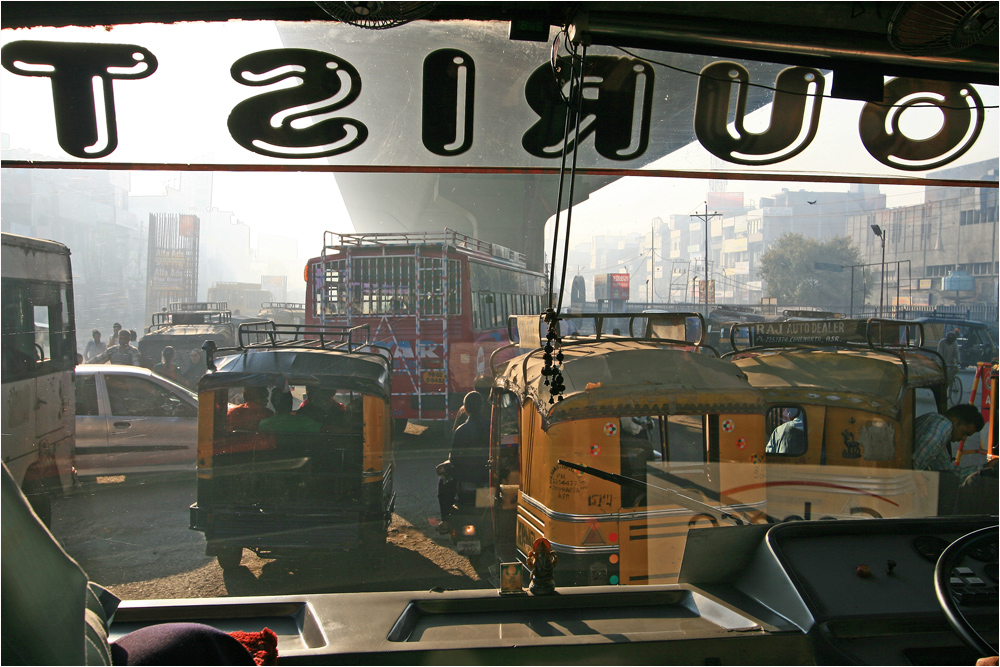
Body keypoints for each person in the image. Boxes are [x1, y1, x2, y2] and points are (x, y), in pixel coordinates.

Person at [437, 391, 490, 532]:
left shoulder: (461, 430)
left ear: (465, 409)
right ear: (482, 407)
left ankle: (445, 521)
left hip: (467, 478)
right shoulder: (492, 427)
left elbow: (454, 459)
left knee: (443, 481)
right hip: (488, 476)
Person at [913, 404, 985, 475]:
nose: (964, 438)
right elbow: (932, 441)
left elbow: (947, 469)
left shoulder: (939, 436)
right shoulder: (944, 424)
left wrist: (983, 468)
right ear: (955, 420)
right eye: (964, 433)